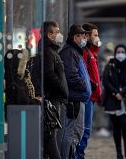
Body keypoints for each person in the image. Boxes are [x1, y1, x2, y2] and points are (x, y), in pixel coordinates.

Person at [58, 24, 91, 159]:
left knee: (77, 132)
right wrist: (84, 86)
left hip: (78, 98)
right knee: (72, 132)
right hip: (74, 99)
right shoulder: (70, 52)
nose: (85, 38)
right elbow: (71, 76)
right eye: (83, 36)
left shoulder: (75, 51)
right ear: (76, 37)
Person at [102, 44, 126, 159]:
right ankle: (119, 152)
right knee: (116, 127)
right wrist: (115, 93)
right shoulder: (110, 65)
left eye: (122, 51)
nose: (120, 54)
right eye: (118, 51)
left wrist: (122, 93)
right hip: (113, 100)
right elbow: (106, 81)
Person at [42, 21, 69, 159]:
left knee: (54, 134)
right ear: (49, 34)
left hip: (57, 97)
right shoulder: (48, 51)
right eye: (57, 32)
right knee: (51, 134)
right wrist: (62, 88)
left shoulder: (53, 50)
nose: (59, 34)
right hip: (53, 98)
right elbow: (50, 75)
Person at [75, 23, 102, 159]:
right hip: (87, 96)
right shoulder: (85, 52)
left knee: (86, 129)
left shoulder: (92, 53)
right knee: (85, 129)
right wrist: (93, 85)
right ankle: (78, 155)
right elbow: (83, 73)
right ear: (88, 36)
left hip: (92, 95)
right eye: (95, 35)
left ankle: (79, 154)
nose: (97, 37)